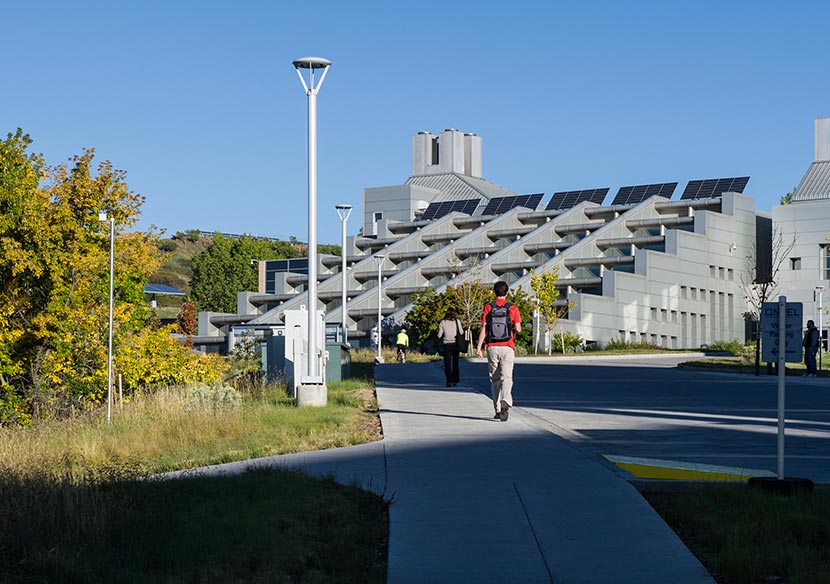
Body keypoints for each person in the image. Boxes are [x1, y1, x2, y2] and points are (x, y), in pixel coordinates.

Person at [476, 281, 522, 421]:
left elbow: (484, 328)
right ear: (506, 293)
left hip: (492, 347)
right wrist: (513, 329)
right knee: (507, 378)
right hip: (508, 346)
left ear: (494, 292)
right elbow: (518, 329)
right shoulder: (512, 308)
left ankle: (497, 409)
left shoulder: (488, 307)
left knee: (494, 379)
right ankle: (506, 401)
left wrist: (478, 348)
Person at [437, 309, 463, 387]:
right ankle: (455, 380)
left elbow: (439, 335)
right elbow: (461, 332)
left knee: (447, 364)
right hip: (456, 344)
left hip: (446, 344)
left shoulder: (443, 322)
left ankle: (449, 381)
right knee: (455, 363)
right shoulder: (457, 321)